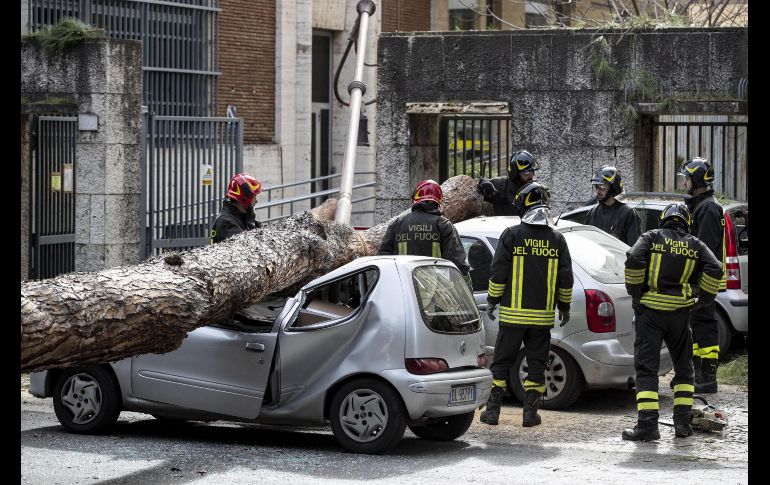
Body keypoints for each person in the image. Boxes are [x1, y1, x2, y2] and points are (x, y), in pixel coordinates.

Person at [622, 203, 722, 441]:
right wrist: (704, 299)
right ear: (686, 223)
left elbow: (634, 258)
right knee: (685, 370)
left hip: (651, 315)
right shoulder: (695, 244)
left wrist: (635, 293)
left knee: (647, 370)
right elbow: (715, 267)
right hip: (680, 315)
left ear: (664, 220)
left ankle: (647, 426)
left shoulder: (651, 237)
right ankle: (682, 425)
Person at [479, 182, 573, 427]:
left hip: (512, 318)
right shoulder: (557, 239)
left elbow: (497, 272)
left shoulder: (512, 235)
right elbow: (566, 280)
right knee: (536, 366)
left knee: (500, 364)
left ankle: (492, 413)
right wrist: (564, 307)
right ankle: (530, 415)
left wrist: (491, 301)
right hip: (541, 320)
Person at [678, 157, 726, 394]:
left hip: (703, 279)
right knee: (696, 325)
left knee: (705, 325)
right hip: (697, 279)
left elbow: (703, 249)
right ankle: (697, 374)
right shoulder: (700, 205)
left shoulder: (707, 208)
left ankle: (707, 378)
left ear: (697, 180)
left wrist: (695, 281)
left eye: (686, 178)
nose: (684, 183)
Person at [378, 179, 472, 288]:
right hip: (436, 292)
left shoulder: (398, 224)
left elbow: (383, 259)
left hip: (402, 288)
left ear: (414, 199)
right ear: (438, 202)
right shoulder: (444, 226)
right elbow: (459, 264)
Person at [585, 166, 641, 246]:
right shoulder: (593, 212)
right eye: (596, 187)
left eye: (602, 187)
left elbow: (634, 250)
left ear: (613, 188)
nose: (598, 191)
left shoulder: (628, 214)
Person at [477, 150, 540, 216]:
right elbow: (473, 190)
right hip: (502, 225)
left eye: (532, 171)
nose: (531, 176)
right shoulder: (499, 185)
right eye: (526, 173)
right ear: (515, 174)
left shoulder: (536, 190)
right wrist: (481, 183)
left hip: (526, 226)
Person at [210, 173, 263, 244]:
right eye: (254, 197)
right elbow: (245, 248)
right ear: (245, 198)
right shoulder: (226, 223)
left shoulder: (244, 219)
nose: (256, 201)